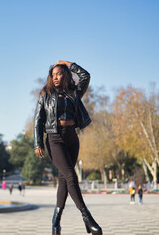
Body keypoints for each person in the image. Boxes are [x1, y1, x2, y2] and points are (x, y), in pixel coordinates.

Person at [34, 60, 102, 235]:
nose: (55, 77)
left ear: (65, 74)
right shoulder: (45, 93)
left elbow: (85, 76)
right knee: (71, 175)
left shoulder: (74, 92)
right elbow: (38, 119)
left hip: (72, 137)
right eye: (53, 75)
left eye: (59, 73)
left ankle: (56, 222)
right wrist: (38, 143)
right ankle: (88, 218)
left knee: (64, 180)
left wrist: (69, 63)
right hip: (54, 138)